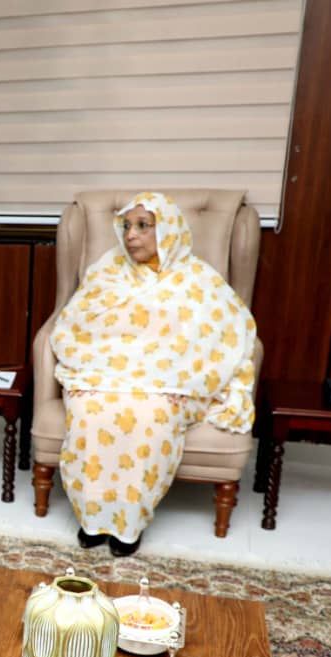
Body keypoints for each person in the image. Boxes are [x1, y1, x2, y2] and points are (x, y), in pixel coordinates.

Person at [49, 192, 256, 557]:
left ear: (169, 229)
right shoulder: (107, 270)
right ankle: (92, 519)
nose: (131, 235)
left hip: (172, 382)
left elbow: (223, 334)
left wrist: (174, 380)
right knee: (89, 413)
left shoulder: (197, 279)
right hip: (104, 375)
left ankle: (128, 524)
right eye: (127, 226)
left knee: (150, 417)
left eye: (143, 226)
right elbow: (75, 327)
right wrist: (97, 371)